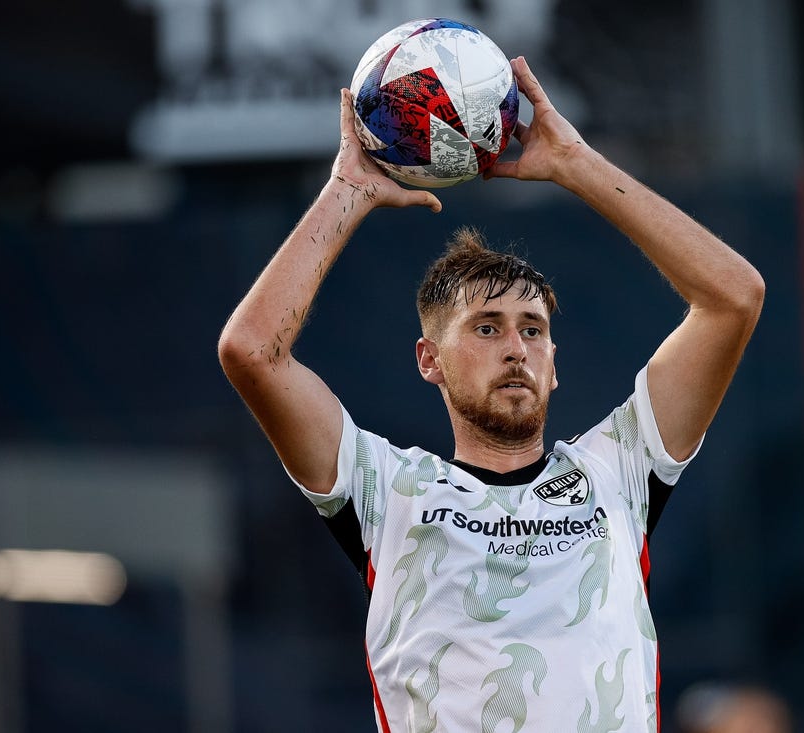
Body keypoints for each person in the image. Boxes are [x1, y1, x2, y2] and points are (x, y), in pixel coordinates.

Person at [218, 56, 763, 733]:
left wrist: (574, 164)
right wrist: (347, 190)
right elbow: (252, 352)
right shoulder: (386, 489)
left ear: (554, 364)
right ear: (429, 360)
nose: (516, 347)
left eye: (533, 329)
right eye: (485, 327)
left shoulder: (618, 469)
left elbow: (733, 299)